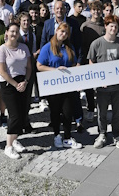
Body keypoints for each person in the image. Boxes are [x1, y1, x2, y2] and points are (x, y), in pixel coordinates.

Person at [37, 22, 83, 150]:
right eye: (62, 31)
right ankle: (57, 135)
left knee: (68, 112)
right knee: (56, 112)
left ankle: (67, 137)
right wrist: (55, 70)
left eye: (66, 33)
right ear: (57, 31)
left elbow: (73, 65)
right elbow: (39, 66)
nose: (64, 34)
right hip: (53, 86)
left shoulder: (69, 47)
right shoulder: (48, 47)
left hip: (67, 85)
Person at [88, 15, 119, 149]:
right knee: (102, 113)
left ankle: (117, 135)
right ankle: (102, 134)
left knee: (117, 113)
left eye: (116, 27)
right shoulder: (96, 43)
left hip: (117, 87)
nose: (113, 28)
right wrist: (98, 80)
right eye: (111, 26)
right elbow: (91, 62)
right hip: (102, 87)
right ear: (105, 26)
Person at [0, 23, 33, 158]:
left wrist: (25, 82)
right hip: (8, 84)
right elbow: (3, 72)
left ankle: (15, 139)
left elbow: (29, 67)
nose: (14, 34)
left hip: (23, 82)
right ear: (6, 33)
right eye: (12, 31)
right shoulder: (1, 50)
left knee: (22, 113)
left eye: (16, 32)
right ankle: (8, 146)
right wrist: (16, 84)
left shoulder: (24, 47)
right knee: (14, 115)